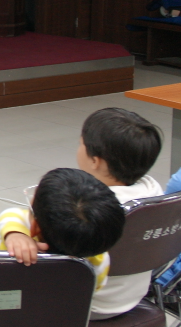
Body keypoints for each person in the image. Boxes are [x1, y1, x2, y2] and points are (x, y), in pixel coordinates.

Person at [0, 168, 125, 313]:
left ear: (34, 228)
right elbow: (96, 289)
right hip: (61, 316)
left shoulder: (8, 252)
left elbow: (11, 214)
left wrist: (14, 233)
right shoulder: (96, 262)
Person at [76, 107, 163, 319]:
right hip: (132, 297)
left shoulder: (87, 208)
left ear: (95, 161)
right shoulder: (155, 193)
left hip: (87, 303)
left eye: (81, 144)